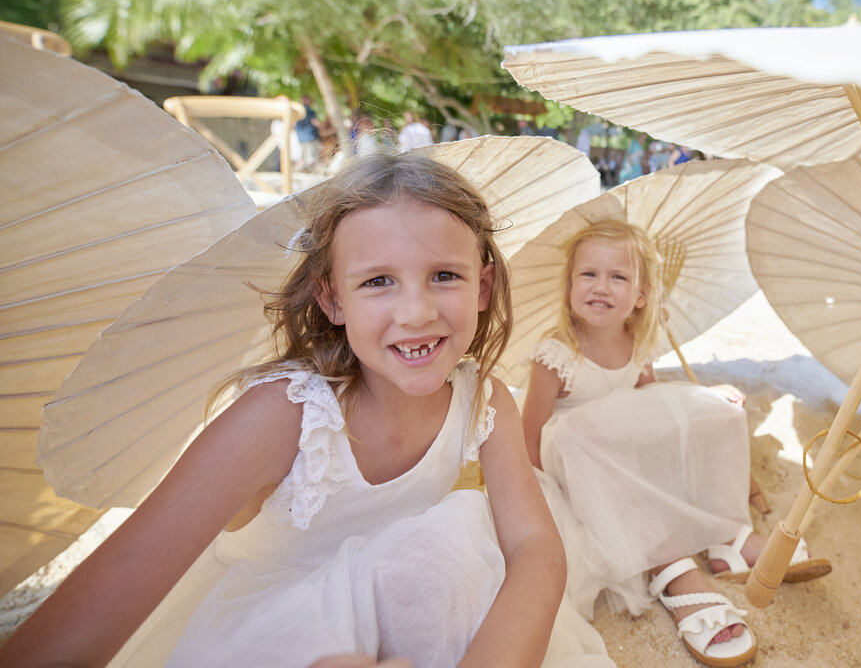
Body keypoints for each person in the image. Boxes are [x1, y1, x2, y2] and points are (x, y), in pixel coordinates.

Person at [0, 153, 569, 668]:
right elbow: (119, 580)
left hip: (400, 621)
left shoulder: (483, 399)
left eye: (444, 275)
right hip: (273, 635)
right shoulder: (285, 415)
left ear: (484, 286)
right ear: (331, 298)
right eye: (378, 281)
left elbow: (534, 546)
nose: (416, 312)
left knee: (454, 540)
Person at [520, 220, 830, 668]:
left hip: (623, 450)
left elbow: (653, 406)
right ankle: (675, 572)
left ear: (641, 296)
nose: (600, 286)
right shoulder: (556, 354)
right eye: (588, 274)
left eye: (618, 277)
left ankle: (727, 536)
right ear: (569, 285)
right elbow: (531, 437)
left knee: (718, 406)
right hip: (576, 460)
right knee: (578, 430)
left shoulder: (636, 345)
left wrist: (701, 402)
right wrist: (555, 496)